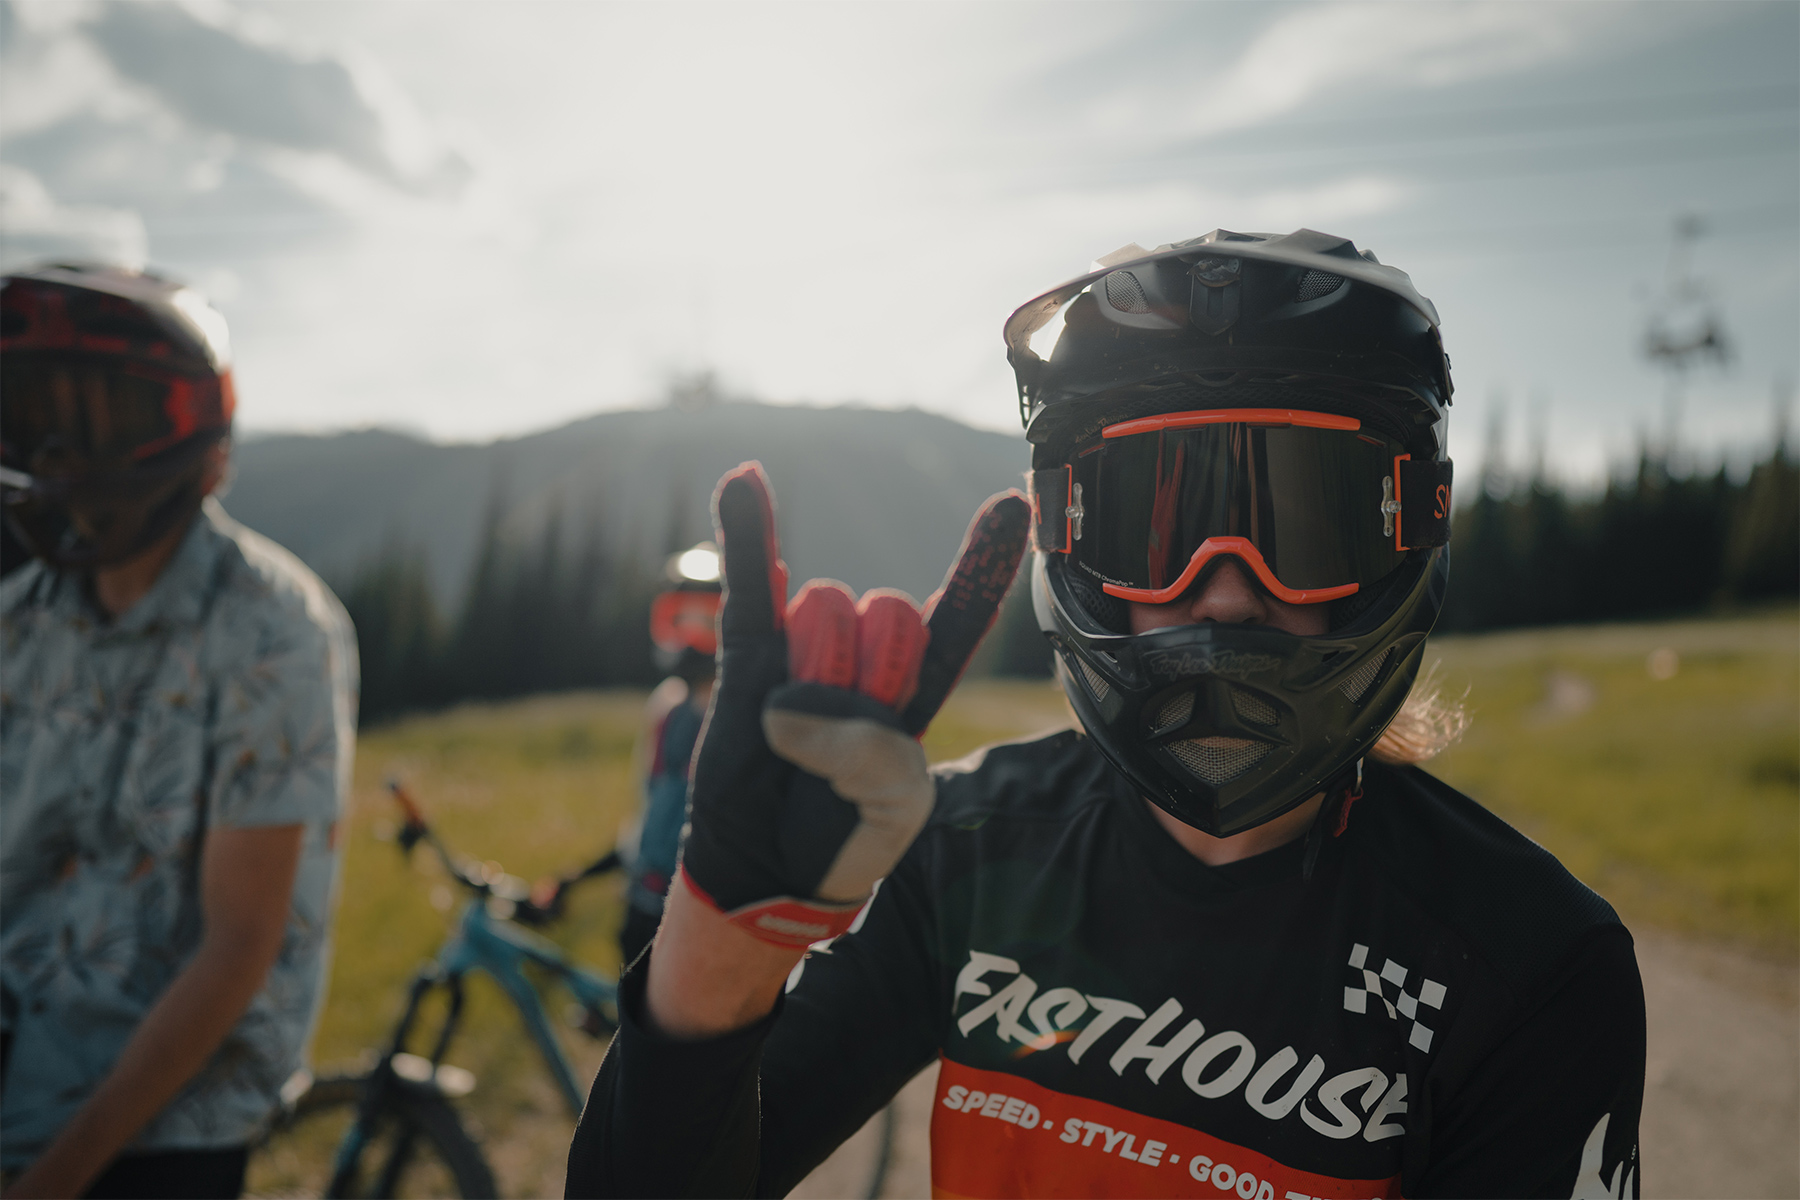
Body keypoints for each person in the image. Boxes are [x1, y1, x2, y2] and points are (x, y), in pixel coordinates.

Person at [565, 230, 1645, 1199]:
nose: (1226, 592)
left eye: (1303, 525)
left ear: (1410, 526)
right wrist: (721, 949)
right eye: (1154, 522)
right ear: (1067, 532)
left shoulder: (1531, 972)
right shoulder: (966, 851)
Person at [0, 264, 357, 1199]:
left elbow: (237, 945)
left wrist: (56, 1177)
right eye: (36, 414)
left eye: (99, 418)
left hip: (161, 1126)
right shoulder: (20, 618)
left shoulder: (271, 629)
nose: (59, 456)